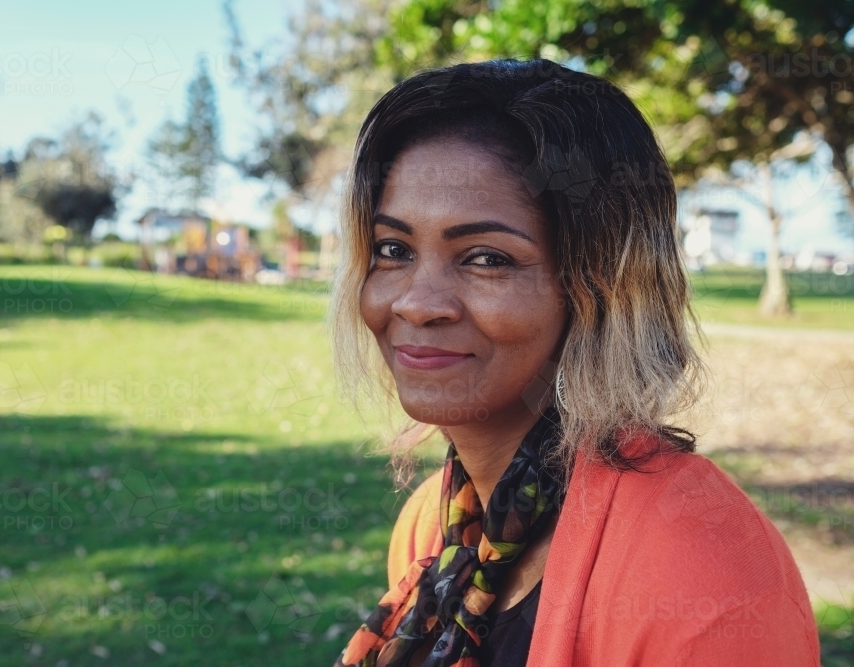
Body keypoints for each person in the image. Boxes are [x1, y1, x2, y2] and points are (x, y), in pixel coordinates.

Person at [329, 59, 819, 667]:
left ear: (601, 285)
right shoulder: (431, 524)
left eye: (486, 259)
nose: (416, 302)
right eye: (392, 249)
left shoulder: (705, 576)